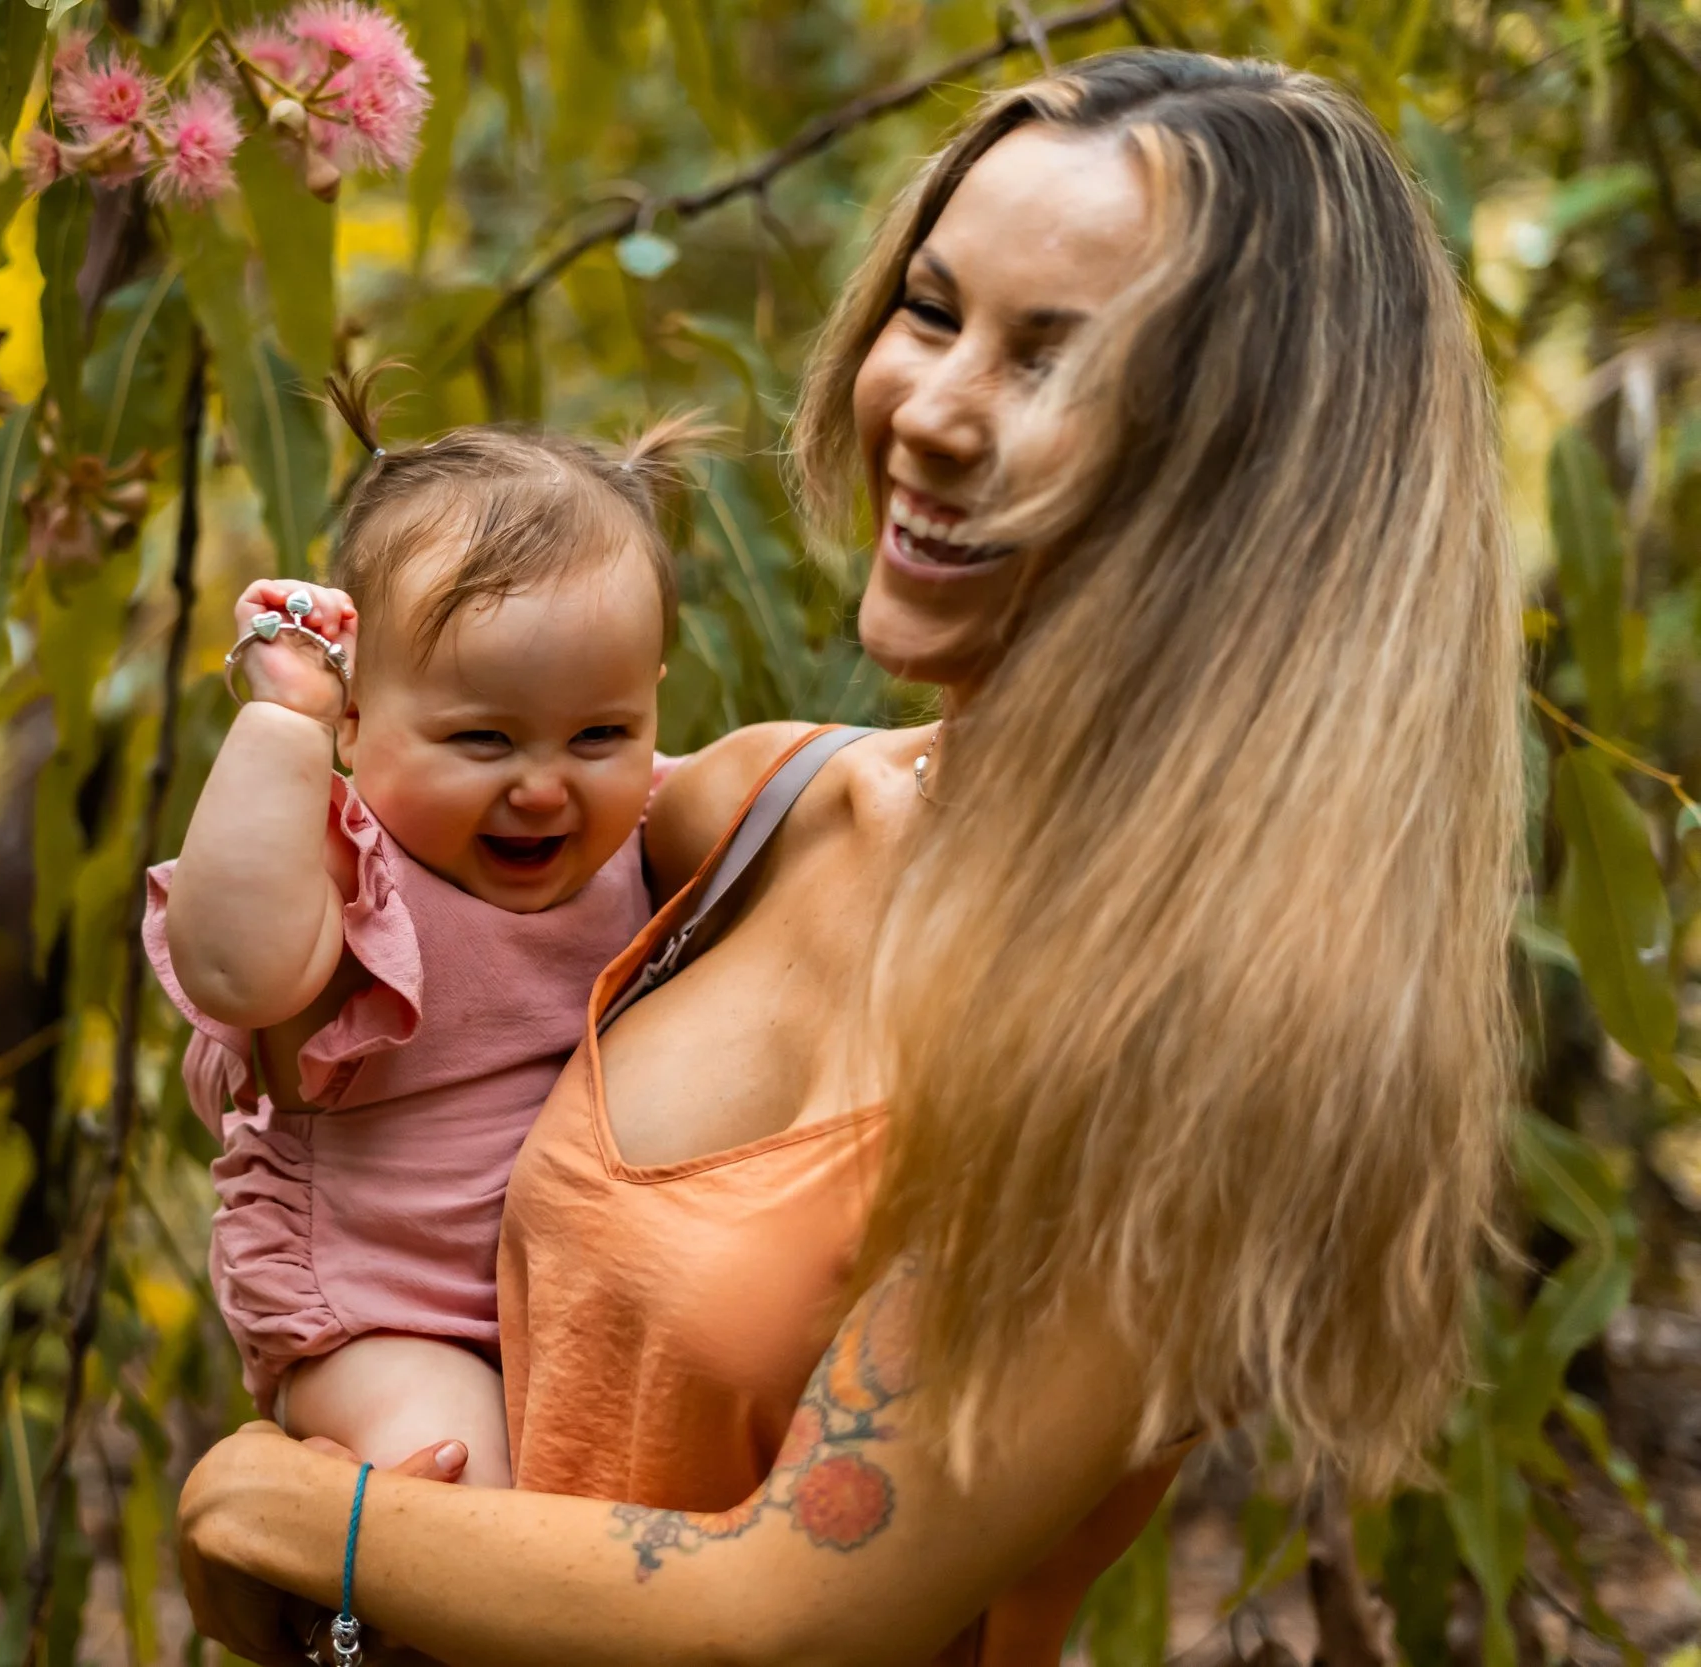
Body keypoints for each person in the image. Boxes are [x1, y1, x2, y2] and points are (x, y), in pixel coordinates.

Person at [177, 48, 1517, 1667]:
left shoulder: (1190, 1040)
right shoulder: (758, 812)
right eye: (933, 311)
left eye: (1059, 362)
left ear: (1255, 471)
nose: (935, 409)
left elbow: (788, 1611)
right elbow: (415, 810)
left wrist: (282, 1512)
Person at [146, 387, 708, 1488]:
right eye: (482, 737)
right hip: (388, 1319)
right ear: (354, 720)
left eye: (601, 732)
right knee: (466, 1499)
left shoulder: (650, 827)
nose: (543, 786)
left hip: (589, 1303)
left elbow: (813, 801)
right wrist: (279, 729)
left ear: (651, 705)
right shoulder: (350, 875)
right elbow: (234, 969)